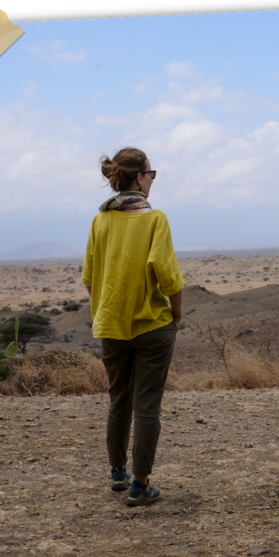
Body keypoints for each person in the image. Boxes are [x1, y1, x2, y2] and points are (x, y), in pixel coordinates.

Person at [82, 147, 184, 507]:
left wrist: (103, 311)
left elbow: (89, 277)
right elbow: (169, 277)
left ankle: (118, 473)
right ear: (140, 178)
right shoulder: (155, 220)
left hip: (109, 325)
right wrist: (176, 315)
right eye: (151, 174)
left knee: (118, 401)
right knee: (147, 406)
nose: (152, 180)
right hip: (152, 327)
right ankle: (141, 485)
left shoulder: (100, 221)